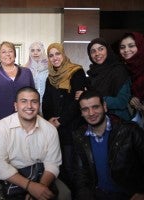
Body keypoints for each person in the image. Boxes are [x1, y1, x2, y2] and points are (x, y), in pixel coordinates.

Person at [0, 86, 71, 200]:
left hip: (39, 173)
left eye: (34, 102)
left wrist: (41, 187)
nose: (29, 106)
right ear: (16, 106)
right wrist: (30, 186)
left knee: (65, 194)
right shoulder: (1, 127)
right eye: (24, 101)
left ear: (39, 105)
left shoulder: (50, 130)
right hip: (7, 176)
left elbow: (52, 164)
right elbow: (0, 165)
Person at [72, 89, 144, 200]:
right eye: (85, 109)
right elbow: (80, 174)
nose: (91, 113)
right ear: (81, 113)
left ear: (105, 107)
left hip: (129, 196)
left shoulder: (129, 131)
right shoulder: (79, 136)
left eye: (95, 107)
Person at [42, 42, 87, 191]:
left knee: (70, 165)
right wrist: (49, 120)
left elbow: (77, 101)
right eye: (51, 55)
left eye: (57, 53)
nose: (55, 58)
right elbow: (46, 101)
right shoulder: (50, 77)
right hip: (54, 128)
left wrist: (61, 121)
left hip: (71, 126)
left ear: (63, 54)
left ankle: (73, 194)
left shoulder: (76, 71)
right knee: (56, 165)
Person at [0, 41, 35, 133]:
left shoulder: (26, 72)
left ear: (15, 54)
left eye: (10, 51)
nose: (7, 54)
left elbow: (34, 97)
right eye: (3, 52)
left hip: (24, 120)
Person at [87, 37, 131, 121]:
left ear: (107, 50)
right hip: (97, 120)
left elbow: (121, 102)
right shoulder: (92, 73)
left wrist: (92, 99)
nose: (97, 53)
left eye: (101, 49)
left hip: (117, 121)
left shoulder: (119, 70)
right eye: (93, 51)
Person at [119, 32, 144, 116]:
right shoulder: (129, 69)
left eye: (131, 46)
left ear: (140, 45)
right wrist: (131, 99)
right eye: (122, 47)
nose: (126, 50)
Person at [24, 41, 49, 113]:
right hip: (30, 103)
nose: (35, 53)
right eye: (32, 50)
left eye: (38, 50)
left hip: (46, 102)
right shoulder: (25, 69)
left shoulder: (50, 68)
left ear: (43, 51)